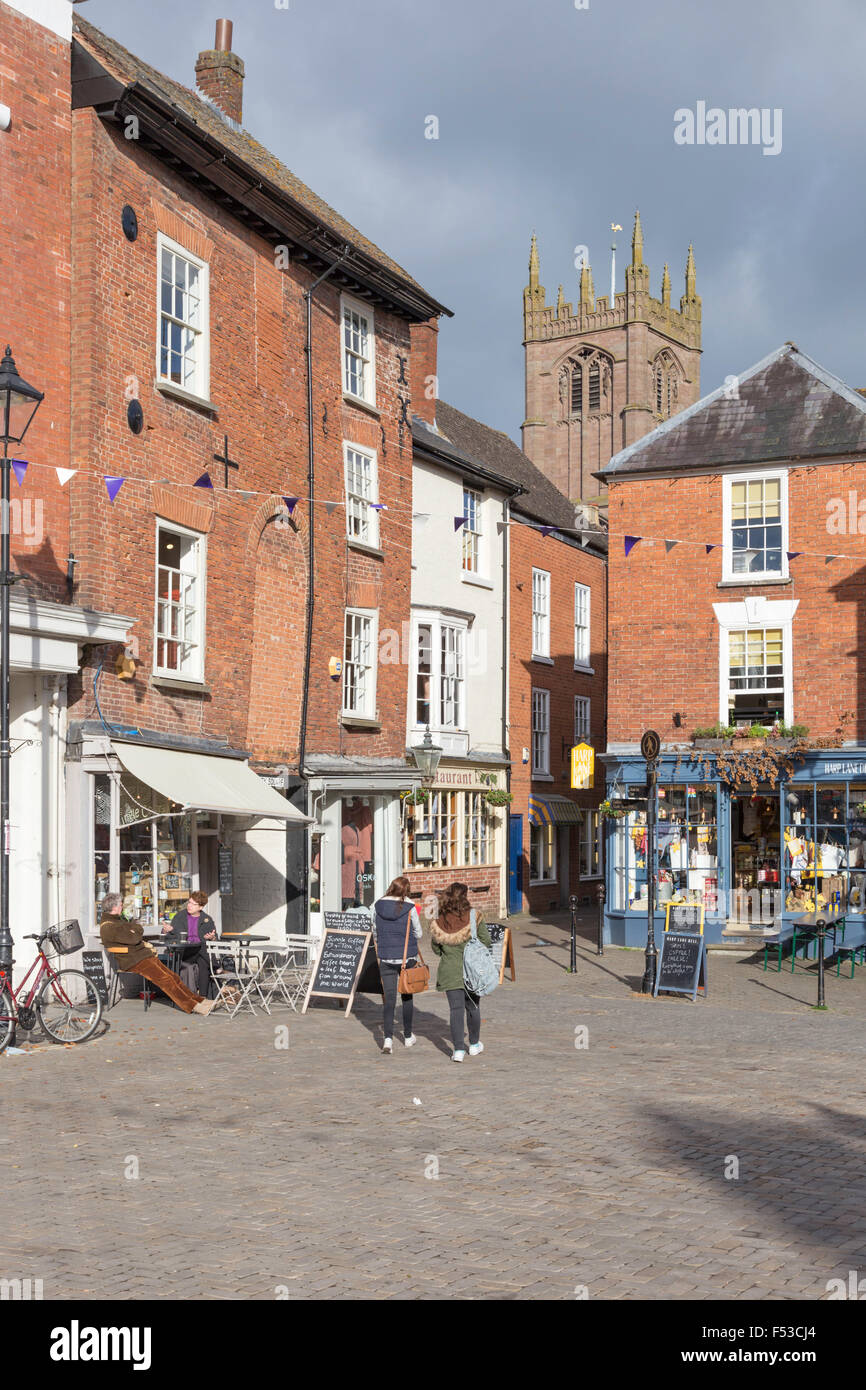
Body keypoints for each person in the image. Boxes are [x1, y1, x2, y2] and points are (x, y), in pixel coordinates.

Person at [100, 893, 216, 1014]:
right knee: (166, 980)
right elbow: (135, 937)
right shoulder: (109, 926)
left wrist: (135, 929)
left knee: (173, 977)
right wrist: (135, 929)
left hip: (142, 956)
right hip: (133, 960)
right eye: (120, 905)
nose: (122, 907)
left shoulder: (117, 921)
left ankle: (198, 1000)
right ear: (114, 908)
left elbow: (137, 931)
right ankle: (192, 1006)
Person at [430, 881, 490, 1063]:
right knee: (473, 1007)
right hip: (472, 969)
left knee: (455, 1010)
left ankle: (457, 1050)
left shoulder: (440, 919)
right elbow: (486, 941)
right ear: (465, 896)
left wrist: (447, 954)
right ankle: (473, 1044)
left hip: (449, 970)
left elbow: (435, 947)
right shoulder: (474, 916)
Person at [372, 875, 423, 1053]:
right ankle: (408, 1036)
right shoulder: (410, 907)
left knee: (389, 999)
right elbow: (419, 932)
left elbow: (375, 931)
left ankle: (387, 1040)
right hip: (406, 958)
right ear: (406, 890)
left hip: (385, 957)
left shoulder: (377, 905)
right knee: (407, 996)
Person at [164, 891, 217, 996]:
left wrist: (212, 938)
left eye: (193, 904)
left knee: (203, 961)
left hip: (200, 953)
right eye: (189, 902)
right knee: (203, 951)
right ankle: (216, 966)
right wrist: (167, 930)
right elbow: (170, 937)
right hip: (185, 952)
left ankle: (202, 996)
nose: (189, 906)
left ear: (201, 907)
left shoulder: (207, 920)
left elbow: (214, 938)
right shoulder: (180, 916)